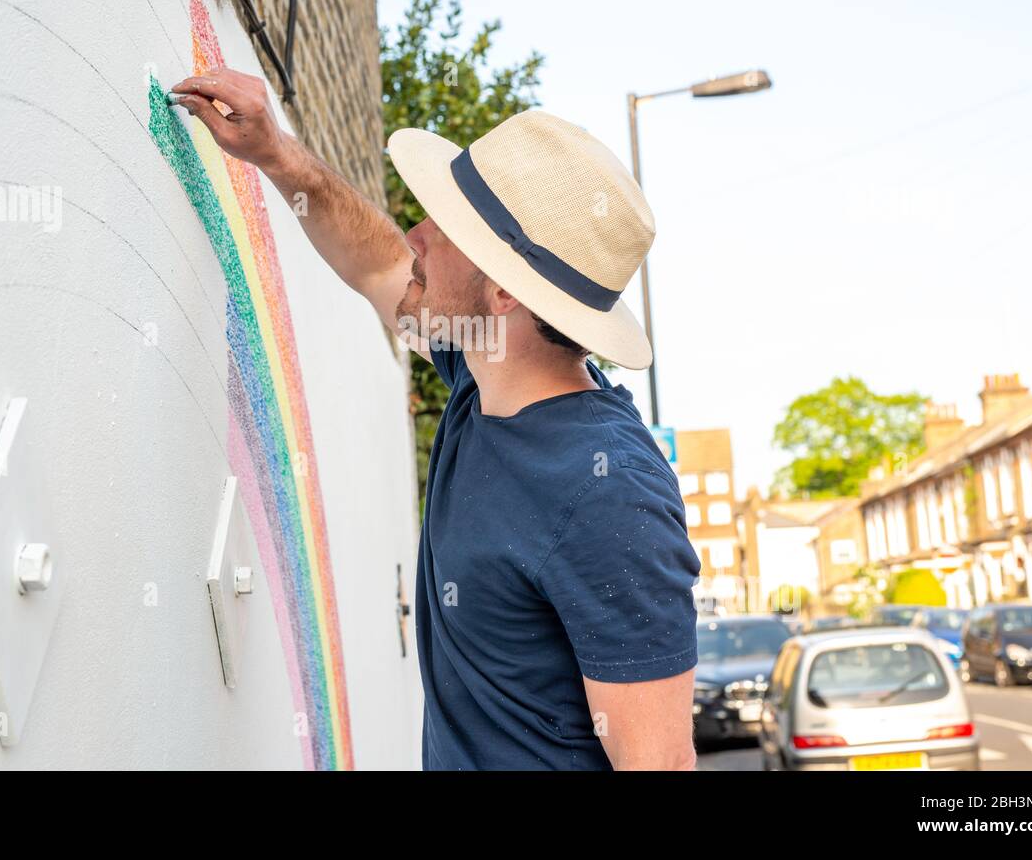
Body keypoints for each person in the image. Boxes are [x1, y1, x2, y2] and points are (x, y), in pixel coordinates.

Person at [171, 70, 701, 770]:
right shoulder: (481, 375)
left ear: (505, 290)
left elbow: (659, 763)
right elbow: (379, 263)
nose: (416, 233)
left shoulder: (607, 490)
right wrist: (275, 151)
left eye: (446, 229)